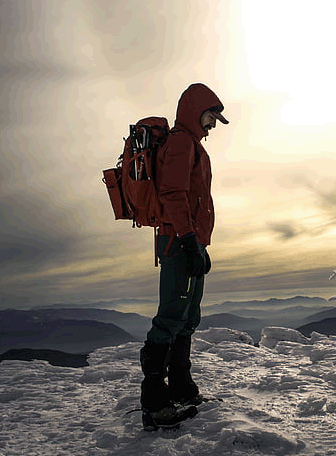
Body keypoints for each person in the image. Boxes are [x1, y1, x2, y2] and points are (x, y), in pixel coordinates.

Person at [140, 83, 229, 430]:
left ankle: (181, 388)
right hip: (178, 240)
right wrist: (189, 239)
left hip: (191, 240)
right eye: (210, 116)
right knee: (172, 315)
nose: (212, 124)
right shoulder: (180, 142)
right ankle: (154, 402)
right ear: (195, 111)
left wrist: (198, 242)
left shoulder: (192, 145)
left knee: (189, 315)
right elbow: (173, 193)